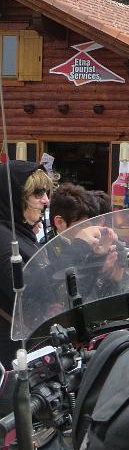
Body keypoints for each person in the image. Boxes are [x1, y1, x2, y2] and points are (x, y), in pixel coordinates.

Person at [0, 162, 53, 388]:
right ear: (15, 198)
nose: (46, 200)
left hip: (26, 343)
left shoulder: (19, 233)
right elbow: (26, 293)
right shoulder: (4, 238)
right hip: (11, 352)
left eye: (46, 193)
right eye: (37, 193)